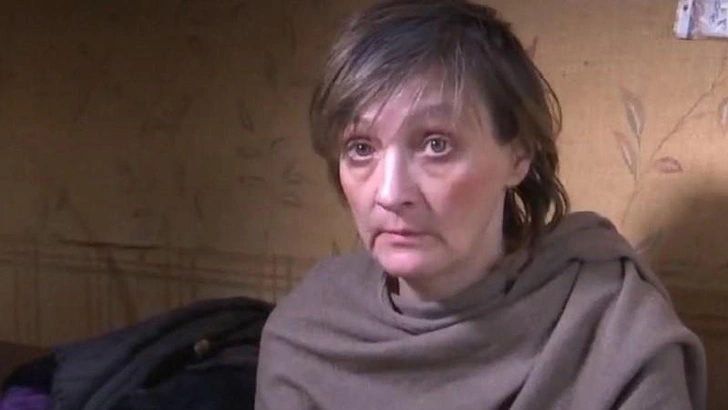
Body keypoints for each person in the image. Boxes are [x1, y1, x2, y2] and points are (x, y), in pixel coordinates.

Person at [255, 0, 707, 409]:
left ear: (518, 155)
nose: (390, 194)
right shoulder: (307, 331)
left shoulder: (612, 328)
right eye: (360, 148)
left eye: (436, 144)